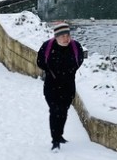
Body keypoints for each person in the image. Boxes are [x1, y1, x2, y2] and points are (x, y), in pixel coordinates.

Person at [35, 21, 84, 151]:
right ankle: (55, 140)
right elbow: (40, 62)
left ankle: (60, 134)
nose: (66, 38)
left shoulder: (75, 46)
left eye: (68, 35)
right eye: (62, 36)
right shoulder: (48, 46)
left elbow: (79, 60)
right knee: (55, 110)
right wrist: (52, 72)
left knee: (64, 111)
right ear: (56, 36)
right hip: (52, 85)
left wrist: (67, 72)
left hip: (68, 85)